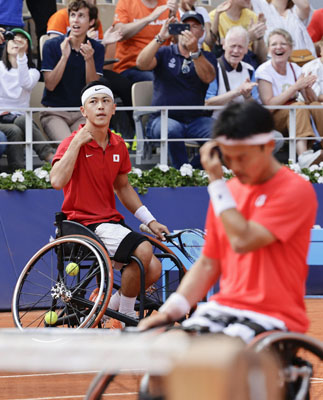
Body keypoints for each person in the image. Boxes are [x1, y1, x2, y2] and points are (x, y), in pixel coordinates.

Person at [138, 100, 317, 398]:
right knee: (159, 363)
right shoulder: (228, 191)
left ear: (268, 146)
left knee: (216, 368)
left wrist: (217, 184)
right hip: (223, 310)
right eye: (228, 158)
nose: (234, 167)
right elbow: (209, 263)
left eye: (242, 158)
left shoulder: (294, 190)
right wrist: (169, 312)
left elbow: (243, 240)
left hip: (275, 317)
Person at [50, 80, 169, 322]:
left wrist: (151, 220)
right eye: (93, 102)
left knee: (154, 268)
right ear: (84, 111)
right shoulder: (71, 142)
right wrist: (76, 144)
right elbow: (57, 181)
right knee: (143, 249)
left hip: (110, 222)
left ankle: (105, 307)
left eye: (105, 101)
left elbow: (123, 187)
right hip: (82, 223)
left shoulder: (118, 144)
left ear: (114, 108)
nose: (100, 106)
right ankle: (126, 316)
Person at [136, 11, 217, 169]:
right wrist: (160, 38)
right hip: (162, 118)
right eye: (185, 26)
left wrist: (195, 53)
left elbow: (208, 77)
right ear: (177, 30)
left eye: (194, 27)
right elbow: (141, 64)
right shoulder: (165, 52)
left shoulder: (207, 56)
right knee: (172, 129)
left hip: (195, 120)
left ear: (201, 33)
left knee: (222, 132)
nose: (189, 30)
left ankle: (192, 172)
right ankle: (182, 172)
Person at [255, 28, 323, 169]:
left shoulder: (295, 68)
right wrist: (294, 87)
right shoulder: (264, 70)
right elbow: (268, 106)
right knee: (298, 106)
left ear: (290, 48)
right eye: (274, 44)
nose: (278, 47)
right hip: (272, 119)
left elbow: (311, 101)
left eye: (283, 44)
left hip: (294, 116)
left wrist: (307, 87)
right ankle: (303, 155)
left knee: (317, 105)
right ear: (268, 49)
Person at [40, 0, 105, 142]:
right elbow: (50, 85)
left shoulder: (97, 48)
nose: (75, 19)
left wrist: (89, 59)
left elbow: (92, 87)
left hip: (83, 112)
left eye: (81, 16)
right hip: (54, 112)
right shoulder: (51, 45)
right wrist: (64, 57)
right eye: (73, 15)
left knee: (84, 146)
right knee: (69, 145)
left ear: (91, 21)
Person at [0, 28, 55, 171]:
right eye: (12, 39)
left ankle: (18, 172)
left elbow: (25, 83)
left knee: (16, 128)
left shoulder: (33, 72)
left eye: (21, 40)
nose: (15, 42)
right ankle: (50, 157)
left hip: (19, 120)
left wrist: (21, 56)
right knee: (19, 124)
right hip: (1, 118)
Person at [112, 0, 179, 84]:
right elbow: (118, 34)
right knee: (157, 80)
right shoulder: (126, 2)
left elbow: (178, 43)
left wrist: (173, 18)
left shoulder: (168, 3)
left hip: (162, 65)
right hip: (130, 67)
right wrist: (150, 18)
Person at [205, 26, 258, 117]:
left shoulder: (250, 70)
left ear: (246, 49)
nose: (236, 51)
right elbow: (208, 103)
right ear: (224, 45)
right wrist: (237, 92)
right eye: (233, 46)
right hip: (217, 122)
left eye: (240, 47)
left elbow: (256, 107)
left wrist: (247, 96)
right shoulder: (213, 68)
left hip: (244, 122)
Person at [208, 0, 267, 69]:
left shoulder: (252, 16)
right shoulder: (214, 16)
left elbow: (261, 59)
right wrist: (247, 37)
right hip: (222, 67)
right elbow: (214, 48)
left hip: (248, 65)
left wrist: (260, 37)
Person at [250, 0, 316, 57]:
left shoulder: (294, 11)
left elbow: (305, 6)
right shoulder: (261, 5)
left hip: (302, 63)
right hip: (273, 65)